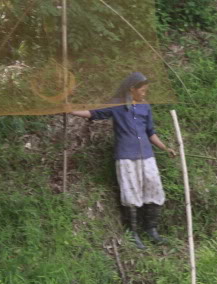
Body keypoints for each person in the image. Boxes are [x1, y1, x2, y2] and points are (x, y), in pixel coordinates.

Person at [71, 72, 176, 249]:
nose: (144, 93)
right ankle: (134, 233)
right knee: (131, 191)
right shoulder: (117, 105)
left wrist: (165, 148)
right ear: (131, 89)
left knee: (154, 188)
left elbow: (150, 132)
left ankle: (151, 230)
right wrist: (70, 110)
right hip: (126, 156)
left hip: (147, 156)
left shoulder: (145, 107)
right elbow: (93, 113)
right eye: (142, 90)